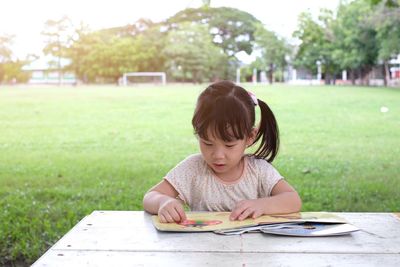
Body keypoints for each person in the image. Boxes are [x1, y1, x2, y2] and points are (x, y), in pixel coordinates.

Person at [143, 80, 301, 223]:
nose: (218, 155)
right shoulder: (192, 169)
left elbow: (293, 200)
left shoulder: (258, 170)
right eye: (207, 143)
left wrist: (262, 205)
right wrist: (164, 202)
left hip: (249, 251)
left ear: (249, 137)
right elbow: (150, 197)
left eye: (229, 145)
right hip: (203, 250)